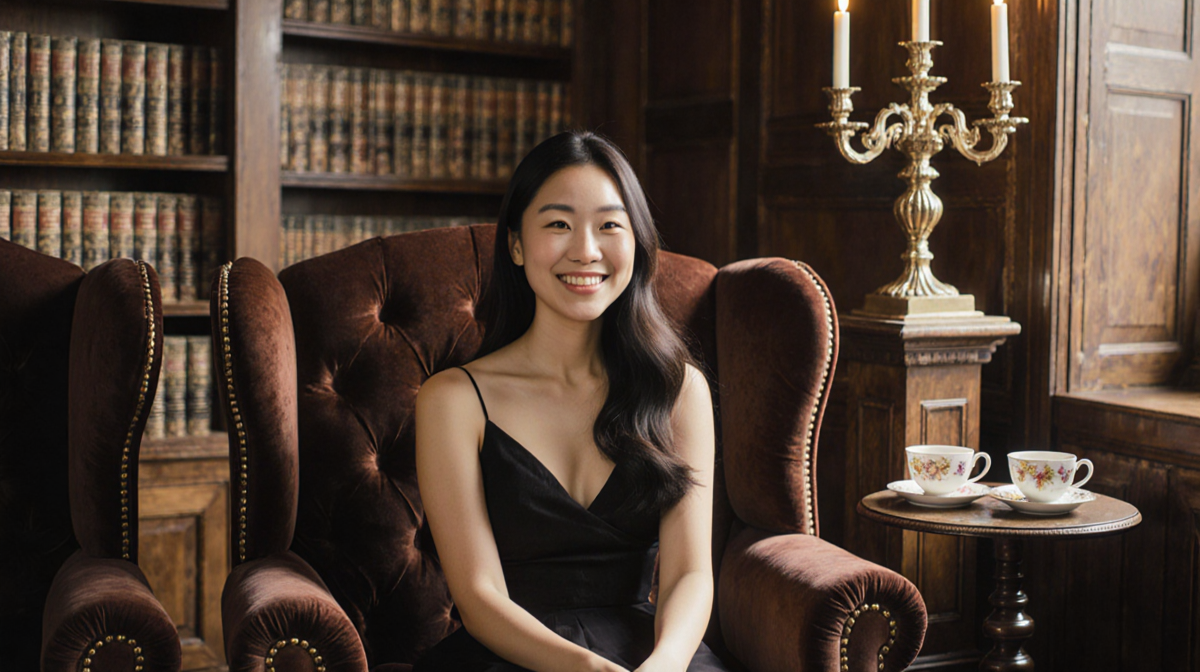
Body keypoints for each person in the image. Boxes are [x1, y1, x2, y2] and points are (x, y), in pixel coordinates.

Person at [413, 131, 728, 672]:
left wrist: (666, 663)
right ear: (515, 244)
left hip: (654, 656)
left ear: (636, 243)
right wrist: (586, 668)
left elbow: (688, 574)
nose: (585, 249)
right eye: (558, 224)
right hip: (511, 654)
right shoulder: (453, 400)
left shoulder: (680, 392)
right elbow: (479, 593)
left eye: (609, 225)